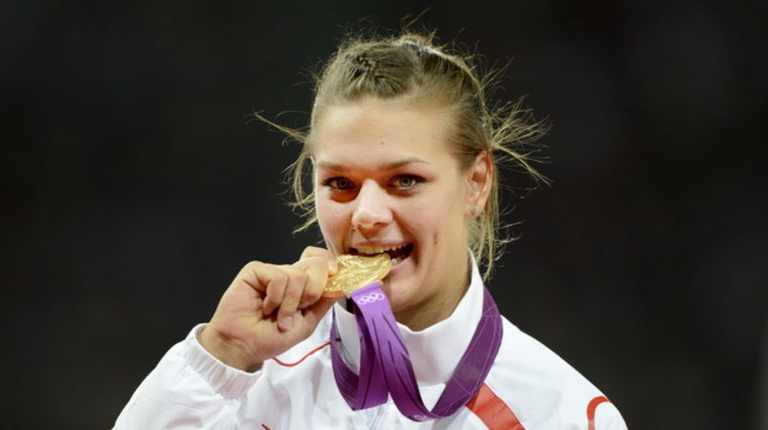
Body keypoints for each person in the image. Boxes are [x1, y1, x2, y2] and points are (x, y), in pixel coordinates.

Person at [113, 31, 627, 429]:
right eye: (340, 182)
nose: (365, 214)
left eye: (405, 180)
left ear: (475, 183)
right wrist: (222, 355)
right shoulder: (246, 383)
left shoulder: (560, 414)